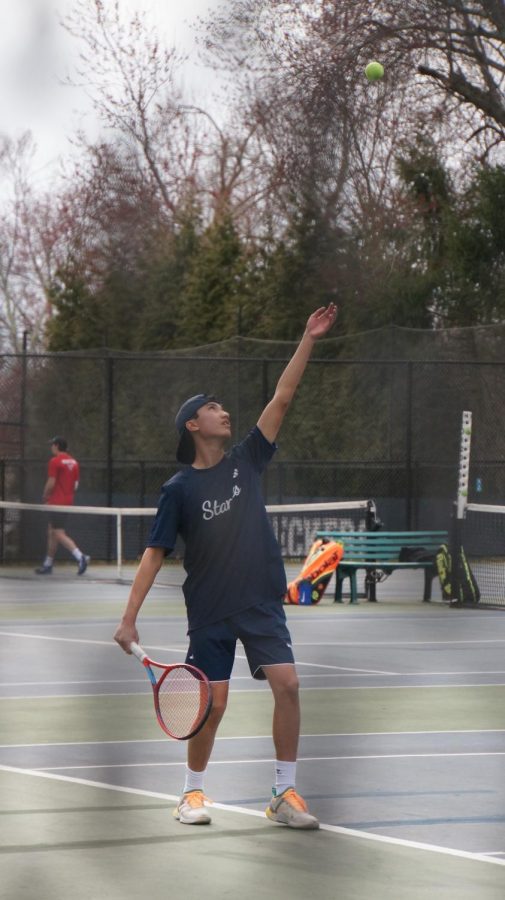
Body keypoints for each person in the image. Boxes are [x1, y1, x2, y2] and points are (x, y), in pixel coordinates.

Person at [114, 304, 337, 829]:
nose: (224, 413)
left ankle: (284, 794)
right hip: (211, 608)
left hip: (260, 598)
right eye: (213, 408)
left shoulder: (247, 459)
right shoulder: (179, 489)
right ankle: (191, 794)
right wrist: (129, 618)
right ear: (193, 424)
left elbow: (283, 397)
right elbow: (153, 553)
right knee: (212, 705)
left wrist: (308, 337)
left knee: (288, 684)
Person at [35, 436, 90, 576]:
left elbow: (51, 482)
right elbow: (76, 485)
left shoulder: (55, 461)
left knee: (58, 533)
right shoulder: (74, 462)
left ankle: (80, 557)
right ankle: (48, 564)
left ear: (57, 445)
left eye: (52, 445)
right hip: (67, 502)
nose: (51, 447)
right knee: (52, 532)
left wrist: (45, 496)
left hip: (56, 503)